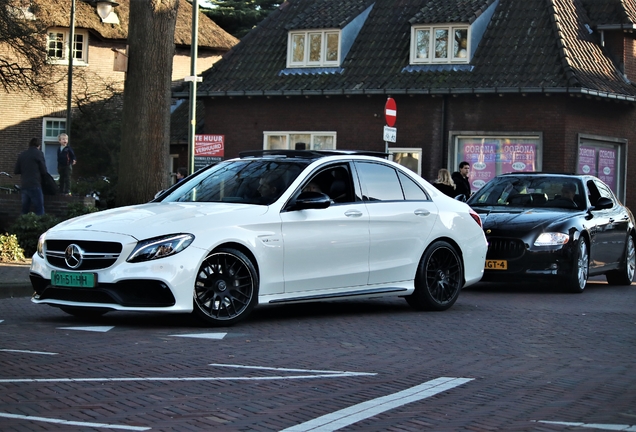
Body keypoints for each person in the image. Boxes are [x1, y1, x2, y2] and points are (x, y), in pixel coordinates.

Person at [14, 137, 48, 215]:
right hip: (35, 184)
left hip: (24, 185)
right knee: (39, 209)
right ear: (38, 146)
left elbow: (16, 171)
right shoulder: (39, 153)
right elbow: (44, 171)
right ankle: (40, 226)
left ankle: (22, 225)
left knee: (24, 210)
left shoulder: (22, 154)